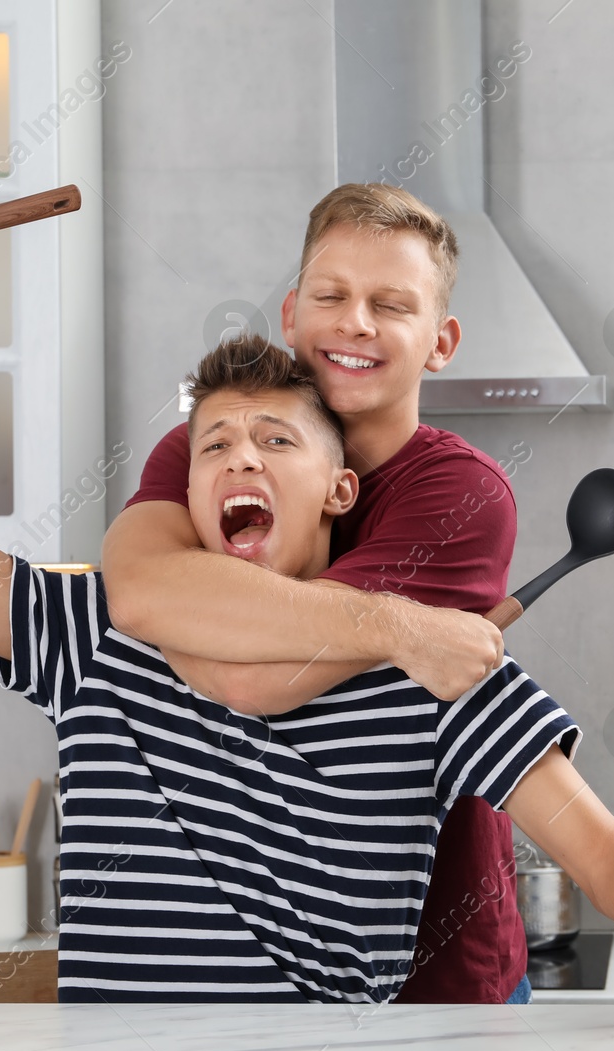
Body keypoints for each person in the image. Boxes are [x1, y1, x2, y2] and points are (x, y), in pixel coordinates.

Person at [0, 197, 614, 1000]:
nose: (240, 455)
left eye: (277, 440)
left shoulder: (434, 666)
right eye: (215, 446)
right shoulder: (92, 630)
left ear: (341, 488)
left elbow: (611, 861)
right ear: (180, 488)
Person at [101, 183, 545, 1002]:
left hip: (437, 982)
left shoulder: (460, 494)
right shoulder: (209, 445)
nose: (356, 323)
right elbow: (134, 588)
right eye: (331, 296)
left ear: (440, 341)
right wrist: (396, 629)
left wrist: (195, 604)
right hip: (274, 966)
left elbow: (253, 680)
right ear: (291, 313)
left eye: (391, 304)